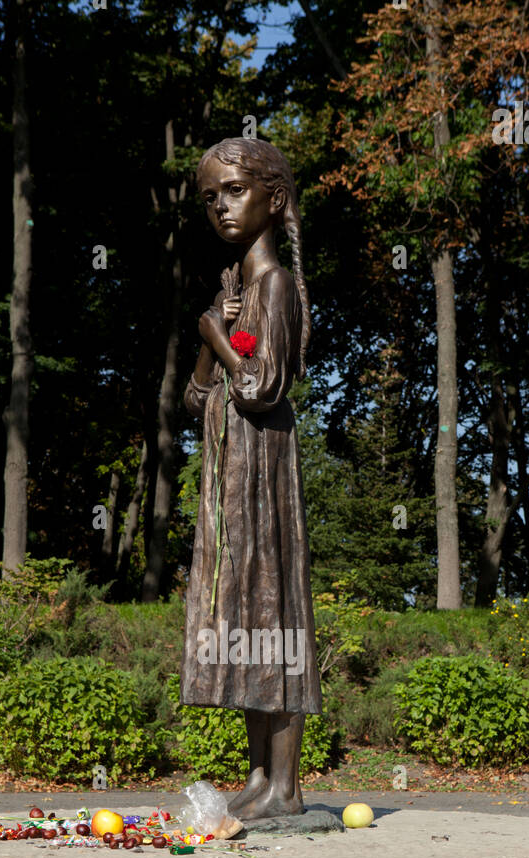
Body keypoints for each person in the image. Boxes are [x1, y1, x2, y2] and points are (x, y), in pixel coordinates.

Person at [180, 137, 322, 821]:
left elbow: (262, 386)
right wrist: (212, 340)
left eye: (234, 190)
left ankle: (288, 787)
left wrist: (214, 337)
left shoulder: (275, 285)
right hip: (231, 478)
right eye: (211, 197)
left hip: (265, 470)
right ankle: (260, 776)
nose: (221, 207)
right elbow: (193, 397)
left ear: (273, 197)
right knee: (244, 617)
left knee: (277, 614)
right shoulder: (234, 288)